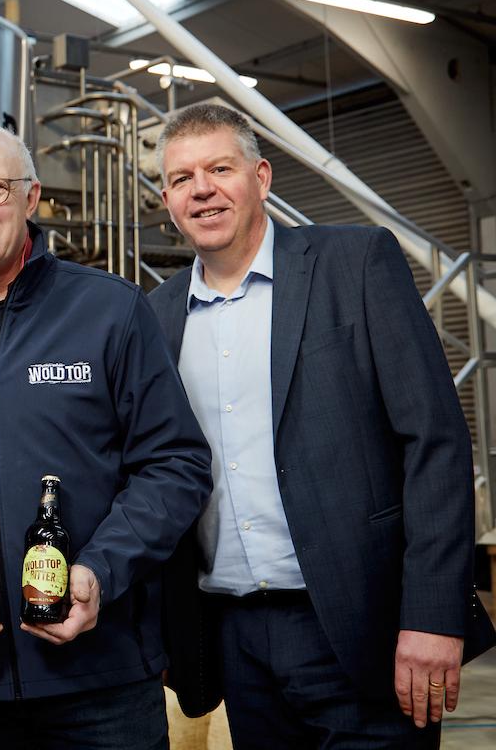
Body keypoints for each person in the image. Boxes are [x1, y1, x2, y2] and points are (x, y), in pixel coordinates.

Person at [149, 102, 496, 747]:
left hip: (364, 626)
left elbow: (436, 445)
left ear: (262, 177)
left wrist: (432, 615)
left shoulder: (356, 264)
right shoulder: (157, 316)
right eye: (180, 178)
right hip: (233, 638)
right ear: (167, 198)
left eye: (220, 168)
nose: (201, 189)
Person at [0, 120, 213, 749]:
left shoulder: (110, 311)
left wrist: (102, 572)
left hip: (103, 682)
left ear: (30, 197)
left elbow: (175, 465)